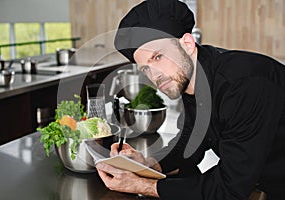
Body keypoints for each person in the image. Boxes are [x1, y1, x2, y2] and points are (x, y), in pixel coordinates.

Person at [96, 0, 285, 199]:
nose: (155, 75)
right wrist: (147, 164)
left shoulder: (243, 86)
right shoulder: (189, 79)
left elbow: (228, 189)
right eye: (145, 68)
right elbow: (189, 145)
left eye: (158, 57)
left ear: (187, 43)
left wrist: (142, 185)